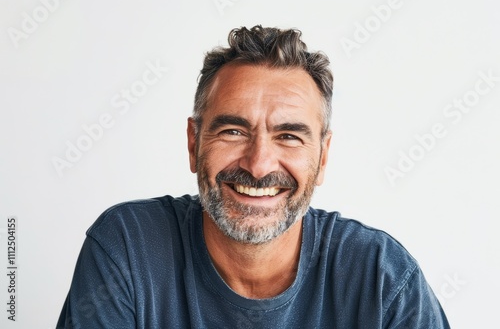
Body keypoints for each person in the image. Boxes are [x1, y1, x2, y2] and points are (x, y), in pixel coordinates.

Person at [57, 25, 450, 328]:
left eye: (289, 136)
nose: (259, 164)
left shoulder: (383, 279)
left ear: (323, 156)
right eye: (233, 131)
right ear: (194, 143)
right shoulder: (128, 248)